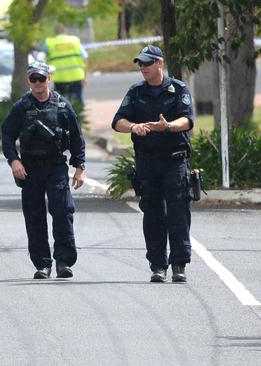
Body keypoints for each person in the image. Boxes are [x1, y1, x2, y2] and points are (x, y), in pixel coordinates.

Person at [111, 45, 194, 283]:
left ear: (160, 63)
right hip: (147, 162)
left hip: (175, 161)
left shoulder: (177, 89)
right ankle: (158, 265)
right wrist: (133, 127)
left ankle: (179, 264)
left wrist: (168, 126)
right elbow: (118, 121)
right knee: (153, 214)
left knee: (178, 214)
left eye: (147, 63)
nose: (143, 68)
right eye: (140, 64)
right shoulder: (136, 91)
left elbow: (187, 120)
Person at [1, 61, 86, 279]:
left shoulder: (62, 106)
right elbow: (8, 136)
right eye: (33, 79)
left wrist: (79, 167)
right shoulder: (21, 106)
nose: (37, 83)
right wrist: (14, 161)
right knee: (34, 216)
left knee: (62, 212)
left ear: (48, 79)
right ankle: (42, 264)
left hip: (55, 166)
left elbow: (77, 138)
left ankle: (64, 262)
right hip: (29, 169)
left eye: (41, 78)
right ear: (29, 81)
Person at [44, 24, 88, 106]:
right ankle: (78, 117)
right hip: (76, 77)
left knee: (60, 104)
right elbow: (85, 57)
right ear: (65, 31)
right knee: (78, 102)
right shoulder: (74, 41)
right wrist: (85, 77)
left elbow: (42, 52)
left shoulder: (50, 42)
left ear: (55, 32)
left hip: (60, 78)